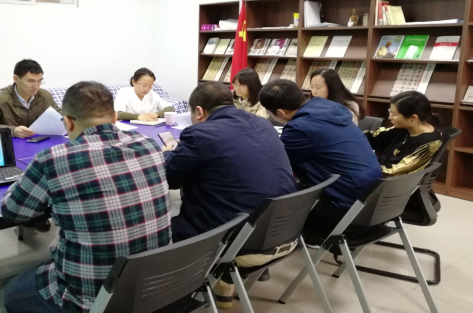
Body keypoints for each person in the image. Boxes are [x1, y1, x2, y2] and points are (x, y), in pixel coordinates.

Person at [1, 81, 171, 313]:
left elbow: (12, 212)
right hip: (151, 289)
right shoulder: (150, 145)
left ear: (68, 122)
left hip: (90, 301)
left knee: (13, 292)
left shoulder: (52, 159)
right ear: (114, 117)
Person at [163, 81, 298, 309]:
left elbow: (172, 178)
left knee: (156, 230)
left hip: (241, 241)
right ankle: (223, 284)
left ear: (199, 112)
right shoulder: (263, 123)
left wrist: (169, 154)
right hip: (285, 231)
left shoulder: (200, 134)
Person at [259, 80, 382, 234]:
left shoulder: (299, 129)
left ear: (280, 113)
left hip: (344, 210)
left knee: (263, 197)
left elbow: (275, 165)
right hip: (373, 203)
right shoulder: (330, 108)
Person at [0, 59, 61, 139]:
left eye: (39, 81)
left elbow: (60, 116)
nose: (36, 86)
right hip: (12, 143)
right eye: (30, 81)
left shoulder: (44, 96)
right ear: (16, 79)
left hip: (39, 141)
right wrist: (13, 131)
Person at [366, 91, 442, 176]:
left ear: (413, 118)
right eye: (390, 112)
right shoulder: (406, 127)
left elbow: (391, 171)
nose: (389, 117)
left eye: (394, 114)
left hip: (389, 181)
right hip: (377, 170)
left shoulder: (427, 143)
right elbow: (376, 139)